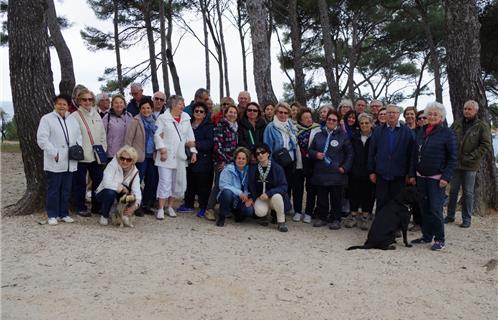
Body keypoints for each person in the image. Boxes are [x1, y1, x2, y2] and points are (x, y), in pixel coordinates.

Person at [409, 102, 457, 251]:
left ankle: (439, 239)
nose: (432, 116)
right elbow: (414, 155)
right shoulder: (421, 131)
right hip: (421, 177)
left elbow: (453, 157)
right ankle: (426, 236)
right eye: (430, 114)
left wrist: (446, 177)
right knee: (424, 208)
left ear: (441, 117)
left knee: (435, 209)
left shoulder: (447, 133)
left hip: (437, 178)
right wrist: (412, 174)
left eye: (435, 114)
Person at [37, 94, 82, 225]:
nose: (62, 106)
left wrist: (77, 148)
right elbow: (42, 139)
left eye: (64, 104)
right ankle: (52, 215)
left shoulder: (72, 120)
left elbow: (79, 135)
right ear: (55, 105)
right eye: (59, 103)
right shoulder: (47, 119)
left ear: (68, 106)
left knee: (66, 189)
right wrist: (54, 152)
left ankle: (64, 213)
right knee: (54, 189)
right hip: (55, 160)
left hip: (70, 160)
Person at [446, 100, 492, 228]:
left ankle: (467, 219)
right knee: (453, 191)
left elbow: (485, 145)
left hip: (470, 165)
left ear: (476, 111)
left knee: (468, 193)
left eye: (469, 109)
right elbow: (449, 140)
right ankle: (450, 216)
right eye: (465, 108)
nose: (466, 111)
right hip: (455, 164)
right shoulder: (456, 124)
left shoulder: (482, 126)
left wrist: (471, 157)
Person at [154, 95, 197, 219]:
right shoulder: (163, 118)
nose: (182, 107)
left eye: (183, 104)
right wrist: (162, 149)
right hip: (166, 156)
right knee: (164, 182)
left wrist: (193, 152)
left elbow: (190, 138)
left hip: (180, 157)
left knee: (175, 183)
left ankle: (170, 207)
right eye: (180, 104)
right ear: (173, 105)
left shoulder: (186, 119)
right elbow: (157, 135)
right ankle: (161, 208)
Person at [309, 110, 353, 230]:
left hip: (336, 173)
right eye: (329, 119)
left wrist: (344, 167)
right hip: (321, 172)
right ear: (326, 120)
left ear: (338, 122)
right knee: (322, 197)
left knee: (336, 198)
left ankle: (335, 219)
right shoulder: (319, 135)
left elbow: (350, 154)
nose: (331, 122)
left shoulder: (343, 136)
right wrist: (316, 154)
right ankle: (322, 217)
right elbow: (310, 151)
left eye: (334, 120)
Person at [368, 104, 414, 213]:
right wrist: (371, 171)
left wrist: (410, 173)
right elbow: (371, 152)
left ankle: (396, 227)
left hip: (399, 174)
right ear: (386, 115)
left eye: (394, 112)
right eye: (389, 112)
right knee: (381, 202)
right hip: (382, 174)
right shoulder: (378, 131)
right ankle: (380, 227)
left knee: (398, 203)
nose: (392, 115)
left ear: (399, 115)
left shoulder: (407, 132)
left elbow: (411, 155)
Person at [69, 88, 107, 217]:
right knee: (80, 183)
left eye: (90, 99)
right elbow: (72, 136)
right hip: (81, 156)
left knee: (99, 180)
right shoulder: (74, 116)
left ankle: (97, 206)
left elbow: (102, 134)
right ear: (79, 101)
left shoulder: (96, 114)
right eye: (84, 99)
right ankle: (80, 207)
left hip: (95, 155)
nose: (87, 102)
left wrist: (103, 148)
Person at [179, 102, 214, 218]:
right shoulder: (188, 124)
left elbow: (210, 143)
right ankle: (188, 204)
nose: (198, 113)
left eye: (201, 111)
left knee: (203, 185)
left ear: (205, 114)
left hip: (204, 159)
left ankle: (204, 207)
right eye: (196, 111)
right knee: (190, 182)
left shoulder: (209, 126)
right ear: (193, 113)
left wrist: (196, 144)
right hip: (189, 157)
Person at [205, 104, 239, 221]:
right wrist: (223, 160)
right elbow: (217, 145)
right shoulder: (221, 125)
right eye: (230, 112)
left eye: (235, 113)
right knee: (219, 185)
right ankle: (209, 209)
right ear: (225, 113)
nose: (232, 114)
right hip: (222, 161)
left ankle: (225, 209)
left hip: (233, 162)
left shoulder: (236, 127)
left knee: (229, 186)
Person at [125, 97, 158, 216]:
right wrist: (129, 157)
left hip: (152, 156)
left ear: (152, 109)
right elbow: (128, 140)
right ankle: (135, 205)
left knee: (151, 181)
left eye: (148, 108)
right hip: (139, 157)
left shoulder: (156, 121)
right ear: (140, 109)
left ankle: (146, 205)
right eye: (143, 108)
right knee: (137, 182)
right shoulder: (135, 121)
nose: (146, 110)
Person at [95, 146, 141, 226]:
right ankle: (104, 216)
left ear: (133, 161)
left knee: (134, 196)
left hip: (120, 196)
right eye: (122, 158)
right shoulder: (112, 165)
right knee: (110, 193)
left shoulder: (135, 172)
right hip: (103, 193)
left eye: (128, 160)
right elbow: (106, 183)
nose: (125, 161)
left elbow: (138, 194)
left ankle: (124, 215)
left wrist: (133, 208)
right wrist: (120, 188)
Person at [344, 113, 375, 230]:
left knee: (368, 194)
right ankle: (353, 216)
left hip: (369, 171)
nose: (364, 125)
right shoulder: (354, 136)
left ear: (371, 124)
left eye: (367, 123)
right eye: (362, 123)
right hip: (355, 170)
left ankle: (366, 218)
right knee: (354, 193)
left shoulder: (375, 137)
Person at [249, 143, 290, 232]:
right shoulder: (253, 169)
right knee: (259, 212)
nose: (260, 155)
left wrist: (269, 193)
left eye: (262, 152)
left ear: (268, 153)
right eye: (257, 154)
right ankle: (264, 216)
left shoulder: (277, 168)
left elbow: (284, 186)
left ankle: (281, 222)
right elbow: (251, 186)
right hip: (261, 198)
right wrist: (253, 198)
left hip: (273, 197)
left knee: (277, 197)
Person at [263, 102, 300, 200]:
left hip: (290, 159)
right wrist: (268, 163)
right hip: (277, 161)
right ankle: (276, 210)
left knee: (288, 184)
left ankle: (286, 206)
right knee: (277, 184)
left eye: (285, 112)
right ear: (276, 113)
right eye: (280, 112)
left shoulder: (291, 126)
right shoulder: (270, 127)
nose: (283, 115)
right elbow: (267, 147)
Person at [293, 108, 320, 223]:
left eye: (310, 117)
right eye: (305, 118)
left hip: (312, 162)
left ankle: (309, 212)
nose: (309, 120)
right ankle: (298, 211)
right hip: (299, 162)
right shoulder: (294, 129)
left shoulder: (318, 129)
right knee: (297, 188)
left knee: (311, 189)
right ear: (300, 120)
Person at [216, 147, 254, 227]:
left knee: (249, 210)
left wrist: (250, 198)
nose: (241, 160)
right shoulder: (228, 169)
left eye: (243, 158)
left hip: (242, 199)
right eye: (239, 158)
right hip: (230, 196)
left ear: (247, 160)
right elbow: (223, 185)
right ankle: (222, 216)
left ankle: (237, 213)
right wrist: (239, 192)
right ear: (235, 159)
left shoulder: (250, 170)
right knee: (227, 193)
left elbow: (253, 187)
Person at [103, 94, 133, 161]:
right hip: (112, 153)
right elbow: (102, 134)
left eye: (121, 102)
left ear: (124, 104)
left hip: (126, 153)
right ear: (112, 105)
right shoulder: (107, 117)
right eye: (116, 103)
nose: (119, 105)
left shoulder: (129, 116)